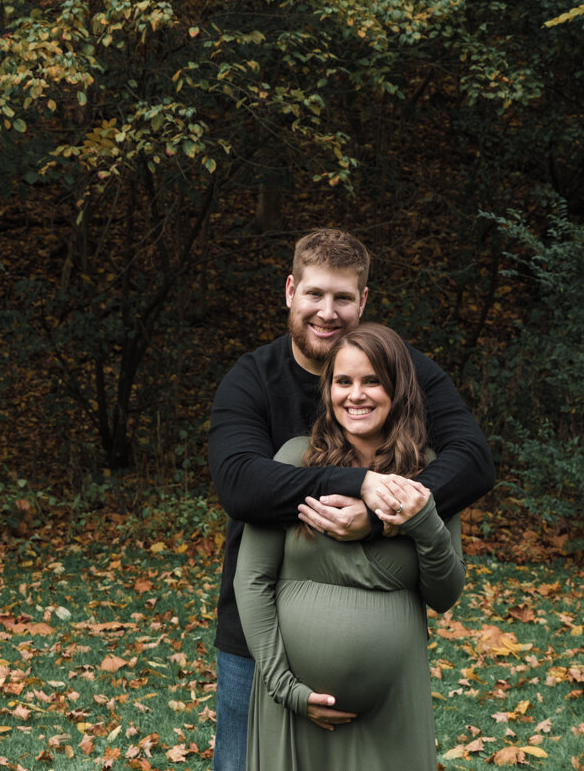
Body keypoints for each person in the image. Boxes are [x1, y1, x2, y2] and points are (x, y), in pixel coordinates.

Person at [208, 228, 494, 771]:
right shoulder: (253, 378)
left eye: (343, 297)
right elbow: (241, 484)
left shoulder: (400, 369)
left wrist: (386, 516)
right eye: (314, 294)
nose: (326, 311)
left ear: (363, 301)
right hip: (259, 638)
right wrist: (355, 482)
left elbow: (474, 460)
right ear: (290, 290)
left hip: (387, 665)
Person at [233, 323, 464, 770]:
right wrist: (285, 687)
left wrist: (421, 520)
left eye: (372, 380)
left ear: (398, 389)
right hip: (293, 708)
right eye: (343, 381)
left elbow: (445, 594)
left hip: (392, 710)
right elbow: (253, 578)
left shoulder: (427, 473)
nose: (355, 395)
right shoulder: (295, 462)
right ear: (328, 389)